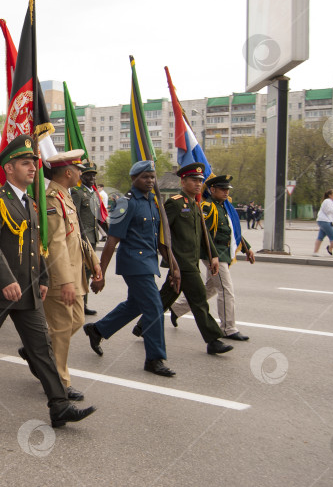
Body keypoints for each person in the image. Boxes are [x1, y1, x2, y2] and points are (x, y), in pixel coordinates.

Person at [0, 135, 96, 426]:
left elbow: (36, 246)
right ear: (9, 169)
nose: (32, 168)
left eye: (34, 163)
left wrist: (42, 277)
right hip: (0, 289)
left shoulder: (30, 203)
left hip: (28, 290)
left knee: (41, 347)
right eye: (26, 163)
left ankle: (59, 405)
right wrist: (6, 280)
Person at [82, 160, 180, 376]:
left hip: (148, 262)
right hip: (134, 264)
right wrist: (100, 274)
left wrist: (173, 266)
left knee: (135, 305)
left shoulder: (152, 202)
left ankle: (97, 330)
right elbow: (112, 240)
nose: (150, 181)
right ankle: (154, 359)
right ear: (134, 178)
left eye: (152, 177)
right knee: (154, 307)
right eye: (145, 177)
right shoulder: (125, 203)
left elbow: (160, 240)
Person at [19, 150, 101, 400]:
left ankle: (36, 352)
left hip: (75, 273)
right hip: (60, 276)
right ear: (68, 173)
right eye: (78, 169)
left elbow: (75, 236)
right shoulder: (51, 198)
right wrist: (65, 280)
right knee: (63, 328)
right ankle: (60, 382)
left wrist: (93, 261)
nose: (81, 173)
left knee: (75, 321)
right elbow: (56, 243)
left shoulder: (66, 195)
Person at [132, 162, 233, 355]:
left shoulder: (194, 203)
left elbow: (203, 234)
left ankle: (143, 325)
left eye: (200, 181)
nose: (198, 184)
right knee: (199, 300)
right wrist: (169, 259)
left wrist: (213, 255)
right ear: (183, 181)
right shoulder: (176, 203)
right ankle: (213, 340)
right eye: (194, 180)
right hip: (182, 262)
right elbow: (162, 232)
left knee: (166, 296)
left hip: (190, 261)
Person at [170, 175, 255, 341]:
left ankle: (177, 309)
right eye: (222, 189)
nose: (226, 192)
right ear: (212, 190)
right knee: (226, 289)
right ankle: (227, 328)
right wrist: (213, 256)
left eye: (227, 190)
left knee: (211, 288)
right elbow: (203, 233)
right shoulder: (208, 207)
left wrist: (247, 247)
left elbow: (231, 230)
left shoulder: (224, 207)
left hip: (224, 252)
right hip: (214, 254)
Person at [71, 162, 106, 316]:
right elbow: (75, 216)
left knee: (87, 272)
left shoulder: (93, 194)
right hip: (82, 238)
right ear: (82, 176)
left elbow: (98, 218)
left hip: (92, 237)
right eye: (88, 175)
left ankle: (83, 304)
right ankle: (79, 305)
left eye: (93, 175)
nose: (92, 178)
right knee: (81, 272)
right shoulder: (77, 193)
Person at [314, 189, 333, 256]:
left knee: (320, 237)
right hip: (325, 221)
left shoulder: (330, 202)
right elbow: (328, 211)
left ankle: (315, 252)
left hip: (324, 221)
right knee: (332, 237)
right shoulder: (327, 201)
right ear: (330, 195)